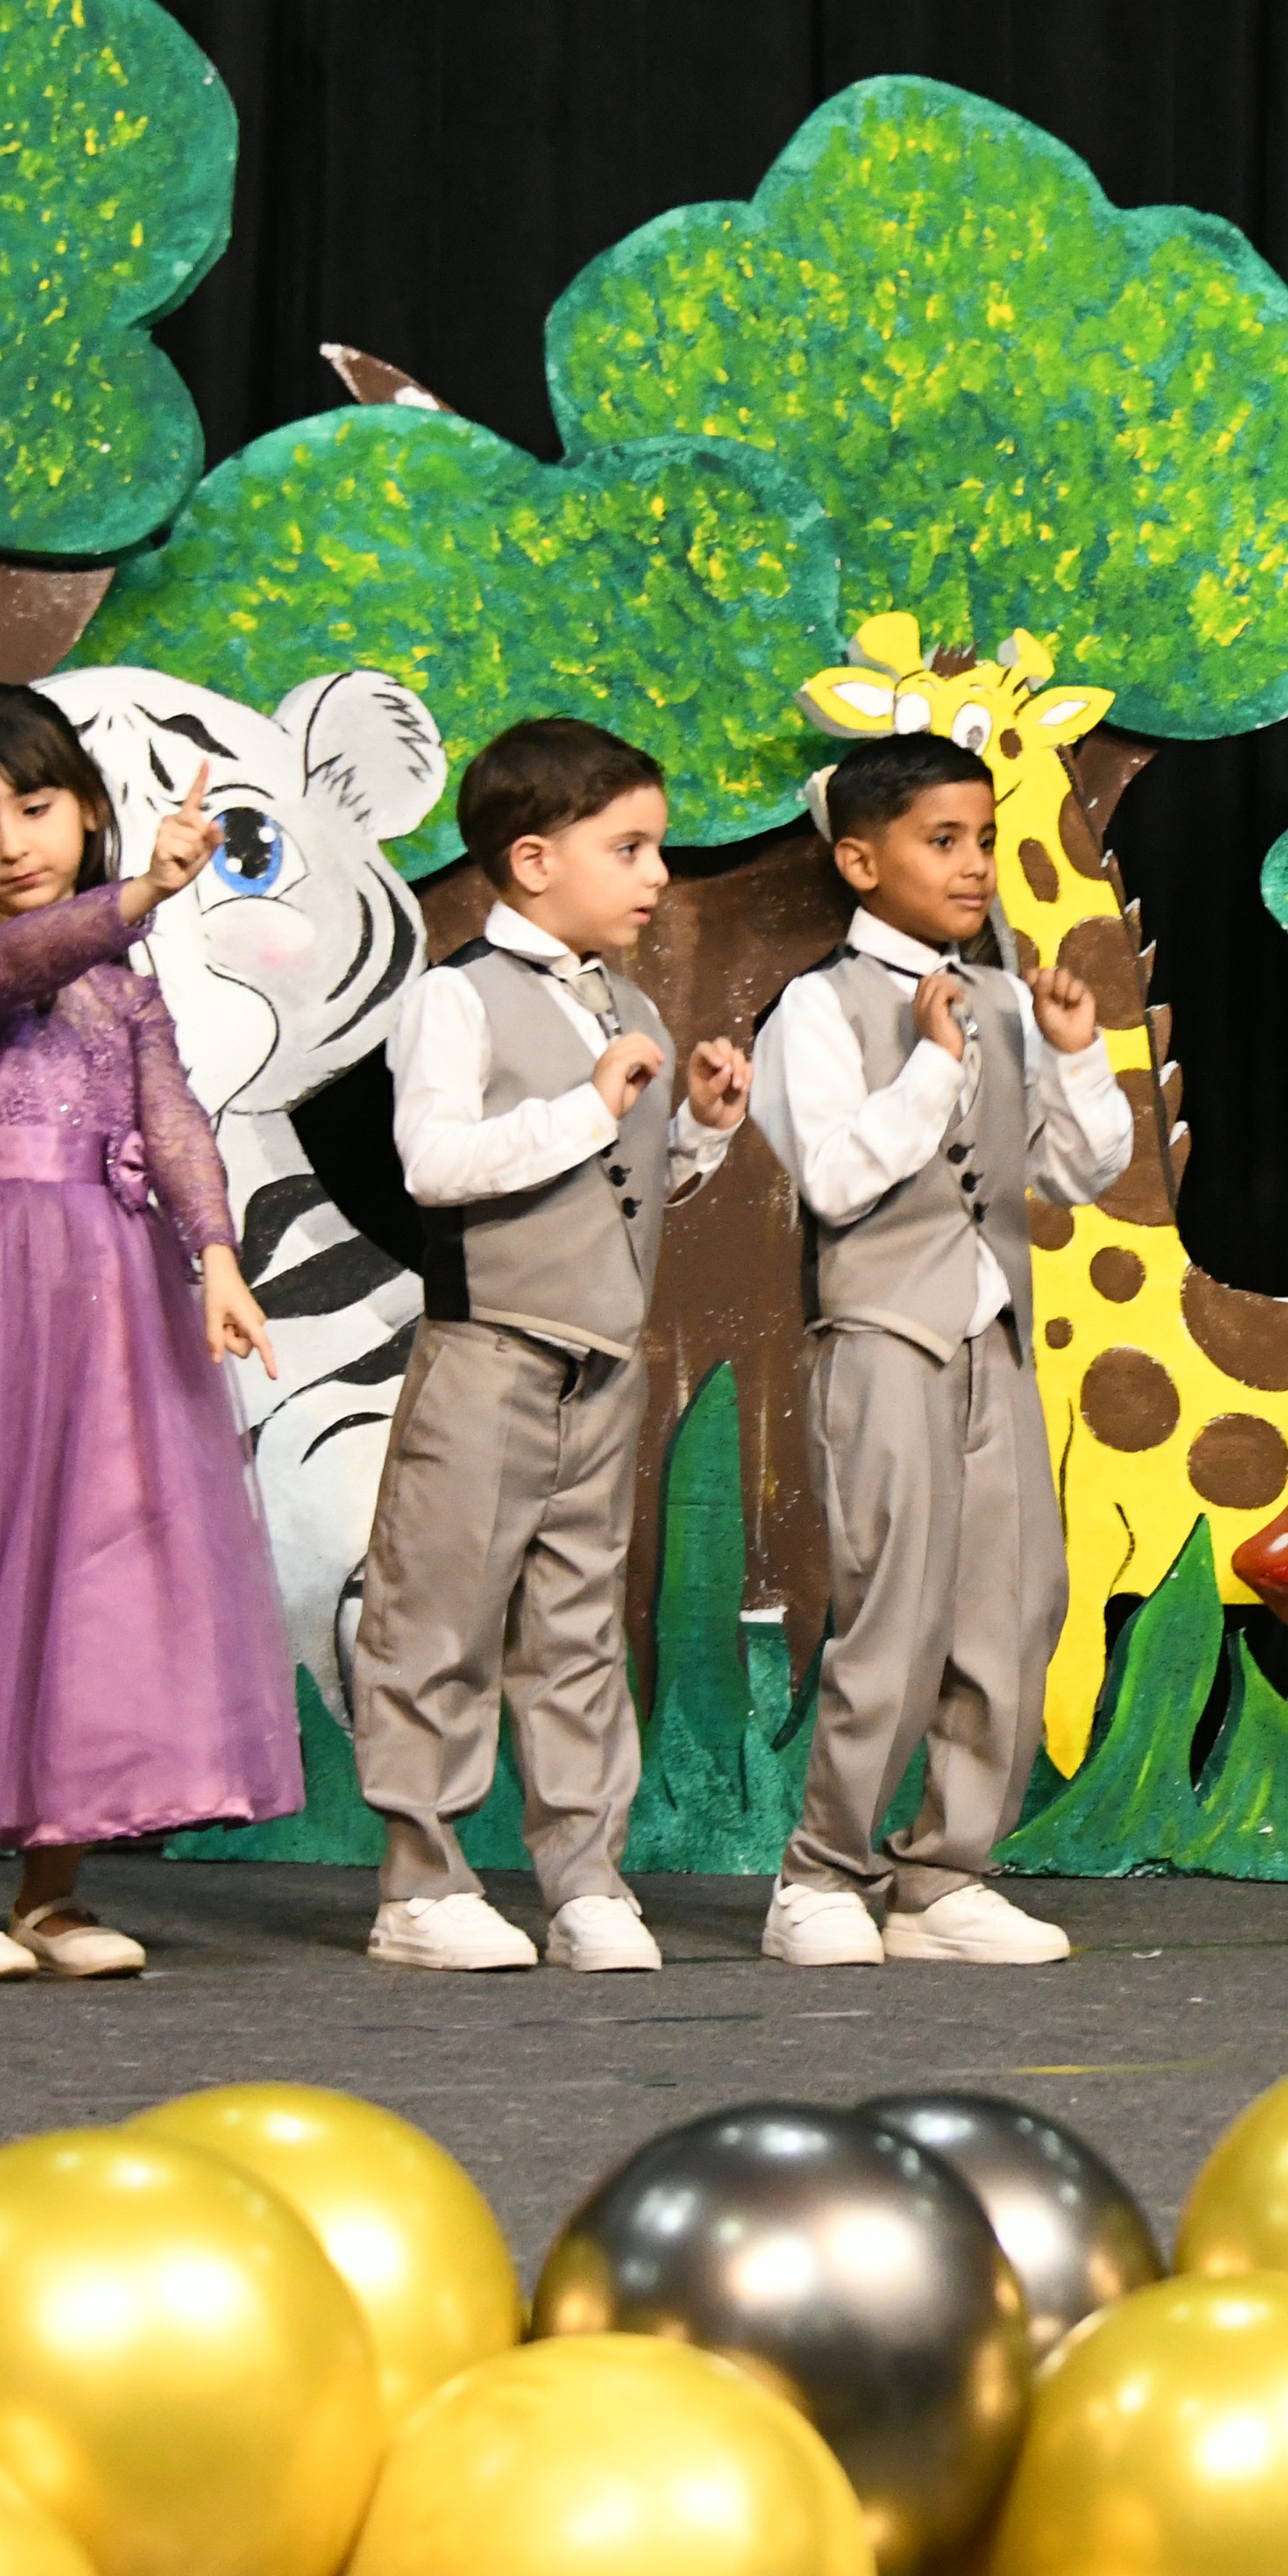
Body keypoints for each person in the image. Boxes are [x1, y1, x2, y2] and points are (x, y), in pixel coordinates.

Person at [0, 682, 300, 1981]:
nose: (10, 844)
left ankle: (52, 1886)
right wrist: (140, 892)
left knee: (92, 1562)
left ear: (85, 809)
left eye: (35, 809)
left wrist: (215, 1254)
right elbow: (5, 972)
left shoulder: (127, 988)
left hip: (103, 1293)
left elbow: (173, 1119)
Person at [354, 718, 749, 1975]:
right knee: (441, 1612)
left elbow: (620, 1192)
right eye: (628, 848)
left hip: (603, 1361)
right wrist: (588, 1105)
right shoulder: (454, 996)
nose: (655, 876)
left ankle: (586, 1877)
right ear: (532, 860)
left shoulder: (626, 1002)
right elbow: (436, 1165)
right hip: (492, 1351)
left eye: (657, 849)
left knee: (578, 1626)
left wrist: (696, 1133)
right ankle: (422, 1880)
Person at [747, 728, 1127, 1969]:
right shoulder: (817, 1006)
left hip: (992, 1337)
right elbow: (836, 1179)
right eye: (942, 841)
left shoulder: (1006, 999)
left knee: (1014, 1606)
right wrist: (932, 1067)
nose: (974, 866)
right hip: (884, 1335)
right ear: (861, 861)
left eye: (985, 840)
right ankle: (820, 1876)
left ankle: (945, 1876)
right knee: (894, 1612)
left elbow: (1077, 1173)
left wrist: (1074, 1054)